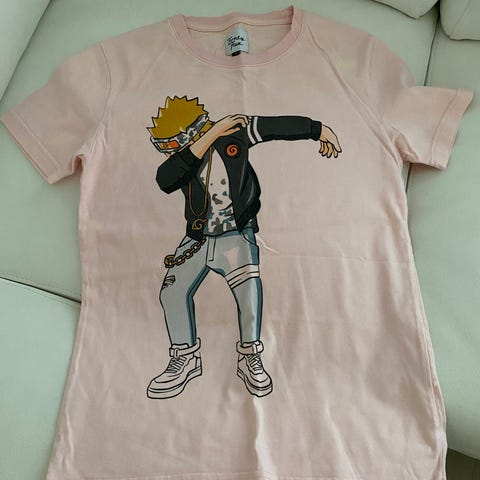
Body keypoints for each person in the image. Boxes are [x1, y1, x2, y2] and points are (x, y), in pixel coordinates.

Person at [145, 95, 342, 399]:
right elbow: (165, 179)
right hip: (197, 237)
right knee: (171, 292)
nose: (170, 150)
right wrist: (212, 134)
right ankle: (185, 356)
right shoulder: (188, 157)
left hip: (236, 234)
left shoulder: (235, 133)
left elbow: (276, 127)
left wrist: (317, 130)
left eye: (172, 143)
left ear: (187, 132)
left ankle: (250, 355)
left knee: (248, 293)